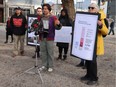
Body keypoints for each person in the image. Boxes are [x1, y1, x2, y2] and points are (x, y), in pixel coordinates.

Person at [80, 3, 108, 85]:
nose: (90, 9)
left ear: (97, 9)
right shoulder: (88, 18)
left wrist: (100, 25)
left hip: (95, 44)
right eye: (89, 8)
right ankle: (88, 75)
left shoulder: (102, 19)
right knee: (87, 60)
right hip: (88, 43)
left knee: (92, 62)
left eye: (92, 8)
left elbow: (106, 32)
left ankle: (94, 78)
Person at [38, 4, 62, 72]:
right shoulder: (41, 17)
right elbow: (38, 26)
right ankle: (44, 65)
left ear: (49, 9)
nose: (44, 10)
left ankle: (50, 66)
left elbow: (58, 27)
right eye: (43, 8)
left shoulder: (53, 17)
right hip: (42, 37)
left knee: (50, 52)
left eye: (46, 9)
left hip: (50, 38)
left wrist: (58, 24)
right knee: (43, 52)